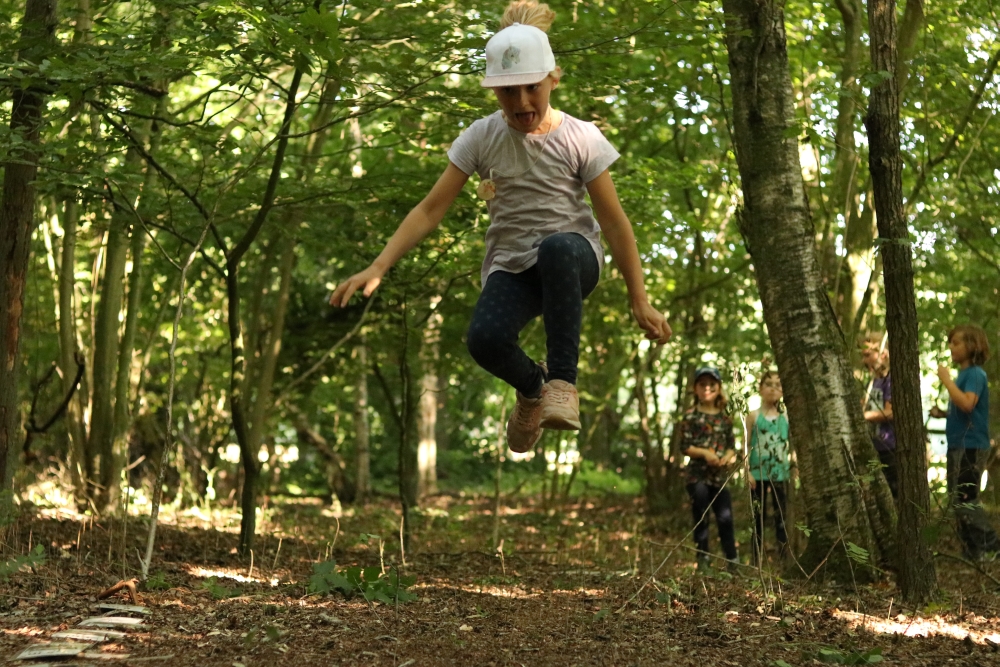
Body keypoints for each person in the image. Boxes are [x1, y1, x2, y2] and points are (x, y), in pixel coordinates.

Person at [329, 1, 670, 453]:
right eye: (508, 92)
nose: (522, 102)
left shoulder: (580, 137)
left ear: (553, 79)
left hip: (573, 259)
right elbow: (430, 209)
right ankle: (534, 388)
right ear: (494, 91)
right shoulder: (481, 137)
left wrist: (639, 298)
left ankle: (563, 384)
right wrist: (378, 265)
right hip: (512, 266)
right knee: (484, 339)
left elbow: (613, 221)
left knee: (556, 248)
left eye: (532, 88)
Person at [929, 324, 1000, 561]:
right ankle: (972, 549)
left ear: (972, 345)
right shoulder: (964, 375)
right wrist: (944, 413)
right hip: (959, 444)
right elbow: (965, 411)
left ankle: (991, 545)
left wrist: (946, 381)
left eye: (956, 342)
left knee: (966, 497)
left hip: (971, 445)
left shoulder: (975, 375)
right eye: (950, 342)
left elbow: (968, 403)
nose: (951, 347)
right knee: (957, 497)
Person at [679, 367, 738, 571]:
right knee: (701, 515)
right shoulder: (690, 416)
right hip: (697, 477)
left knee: (725, 518)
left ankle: (732, 562)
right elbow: (685, 447)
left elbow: (732, 446)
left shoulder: (725, 418)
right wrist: (706, 454)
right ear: (695, 388)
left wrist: (727, 458)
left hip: (719, 478)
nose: (707, 388)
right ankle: (703, 561)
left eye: (711, 384)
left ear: (719, 387)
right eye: (702, 384)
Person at [744, 371, 789, 565]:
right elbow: (745, 444)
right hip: (757, 473)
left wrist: (793, 466)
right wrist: (746, 472)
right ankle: (757, 561)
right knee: (758, 518)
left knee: (782, 517)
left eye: (778, 384)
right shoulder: (753, 416)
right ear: (760, 388)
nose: (773, 388)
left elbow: (791, 445)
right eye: (769, 384)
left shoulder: (786, 417)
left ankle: (784, 559)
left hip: (780, 473)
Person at [860, 334, 898, 499]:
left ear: (884, 354)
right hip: (875, 446)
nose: (864, 360)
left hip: (890, 447)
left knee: (893, 493)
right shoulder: (874, 381)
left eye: (868, 355)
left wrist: (864, 416)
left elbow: (891, 412)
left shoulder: (890, 380)